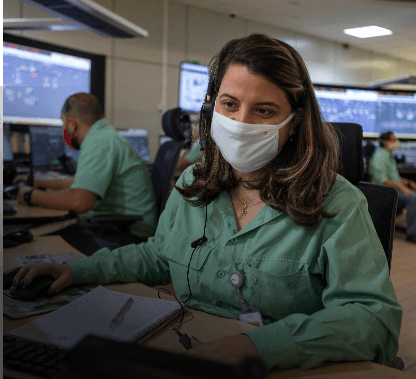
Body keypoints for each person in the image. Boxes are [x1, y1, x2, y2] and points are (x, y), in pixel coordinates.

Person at [10, 35, 402, 371]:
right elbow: (158, 256)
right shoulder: (194, 183)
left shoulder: (338, 202)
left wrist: (259, 347)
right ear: (212, 105)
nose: (241, 122)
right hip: (190, 351)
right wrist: (77, 271)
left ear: (295, 120)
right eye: (229, 105)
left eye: (264, 111)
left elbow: (372, 320)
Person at [13, 93, 157, 255]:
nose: (63, 130)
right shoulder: (104, 135)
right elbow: (81, 183)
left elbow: (80, 202)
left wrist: (29, 196)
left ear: (72, 124)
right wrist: (37, 182)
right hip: (118, 229)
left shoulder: (99, 142)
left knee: (31, 248)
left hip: (126, 237)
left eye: (63, 124)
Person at [369, 131, 416, 243]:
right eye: (393, 140)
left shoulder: (388, 155)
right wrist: (402, 187)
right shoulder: (379, 157)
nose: (396, 142)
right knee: (413, 198)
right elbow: (383, 180)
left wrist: (409, 183)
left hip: (392, 188)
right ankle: (412, 234)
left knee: (413, 194)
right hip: (384, 191)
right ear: (386, 143)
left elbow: (394, 177)